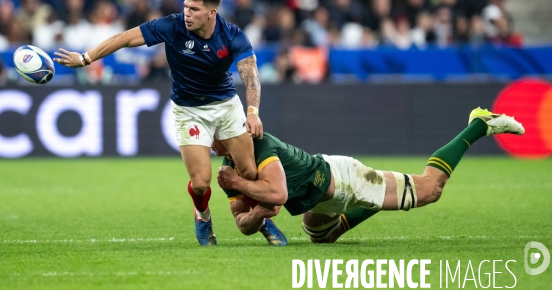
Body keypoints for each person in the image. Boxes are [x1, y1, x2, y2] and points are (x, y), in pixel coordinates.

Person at [54, 0, 263, 246]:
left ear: (212, 13)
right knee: (200, 183)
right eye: (186, 6)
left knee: (249, 173)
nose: (187, 13)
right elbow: (125, 38)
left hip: (225, 106)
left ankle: (259, 218)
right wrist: (85, 58)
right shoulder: (172, 26)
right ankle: (202, 215)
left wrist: (253, 111)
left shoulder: (233, 35)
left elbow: (251, 76)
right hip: (189, 110)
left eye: (195, 9)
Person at [214, 107, 524, 245]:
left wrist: (241, 186)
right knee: (322, 236)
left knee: (431, 189)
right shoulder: (231, 163)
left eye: (210, 137)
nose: (207, 145)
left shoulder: (259, 145)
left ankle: (480, 124)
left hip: (346, 179)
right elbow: (243, 223)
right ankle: (376, 201)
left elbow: (278, 197)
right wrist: (258, 213)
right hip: (320, 201)